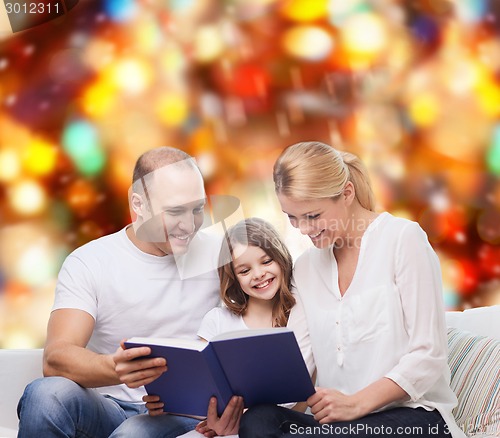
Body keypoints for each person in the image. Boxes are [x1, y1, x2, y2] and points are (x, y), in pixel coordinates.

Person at [239, 141, 466, 438]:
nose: (303, 229)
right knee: (260, 420)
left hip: (415, 418)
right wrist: (236, 410)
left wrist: (355, 403)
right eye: (292, 217)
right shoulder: (306, 267)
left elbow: (428, 356)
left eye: (313, 215)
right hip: (340, 426)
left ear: (347, 194)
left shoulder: (403, 239)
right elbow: (298, 363)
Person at [17, 147, 223, 438]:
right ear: (138, 204)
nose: (189, 225)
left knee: (132, 435)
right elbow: (55, 358)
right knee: (45, 395)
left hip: (185, 414)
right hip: (109, 407)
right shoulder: (90, 261)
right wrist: (113, 368)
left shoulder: (223, 257)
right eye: (175, 211)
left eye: (198, 209)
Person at [131, 218, 316, 437]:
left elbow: (301, 399)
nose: (258, 274)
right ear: (234, 277)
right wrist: (167, 404)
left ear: (282, 258)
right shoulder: (218, 320)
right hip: (222, 426)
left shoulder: (300, 314)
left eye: (266, 261)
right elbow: (201, 390)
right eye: (244, 270)